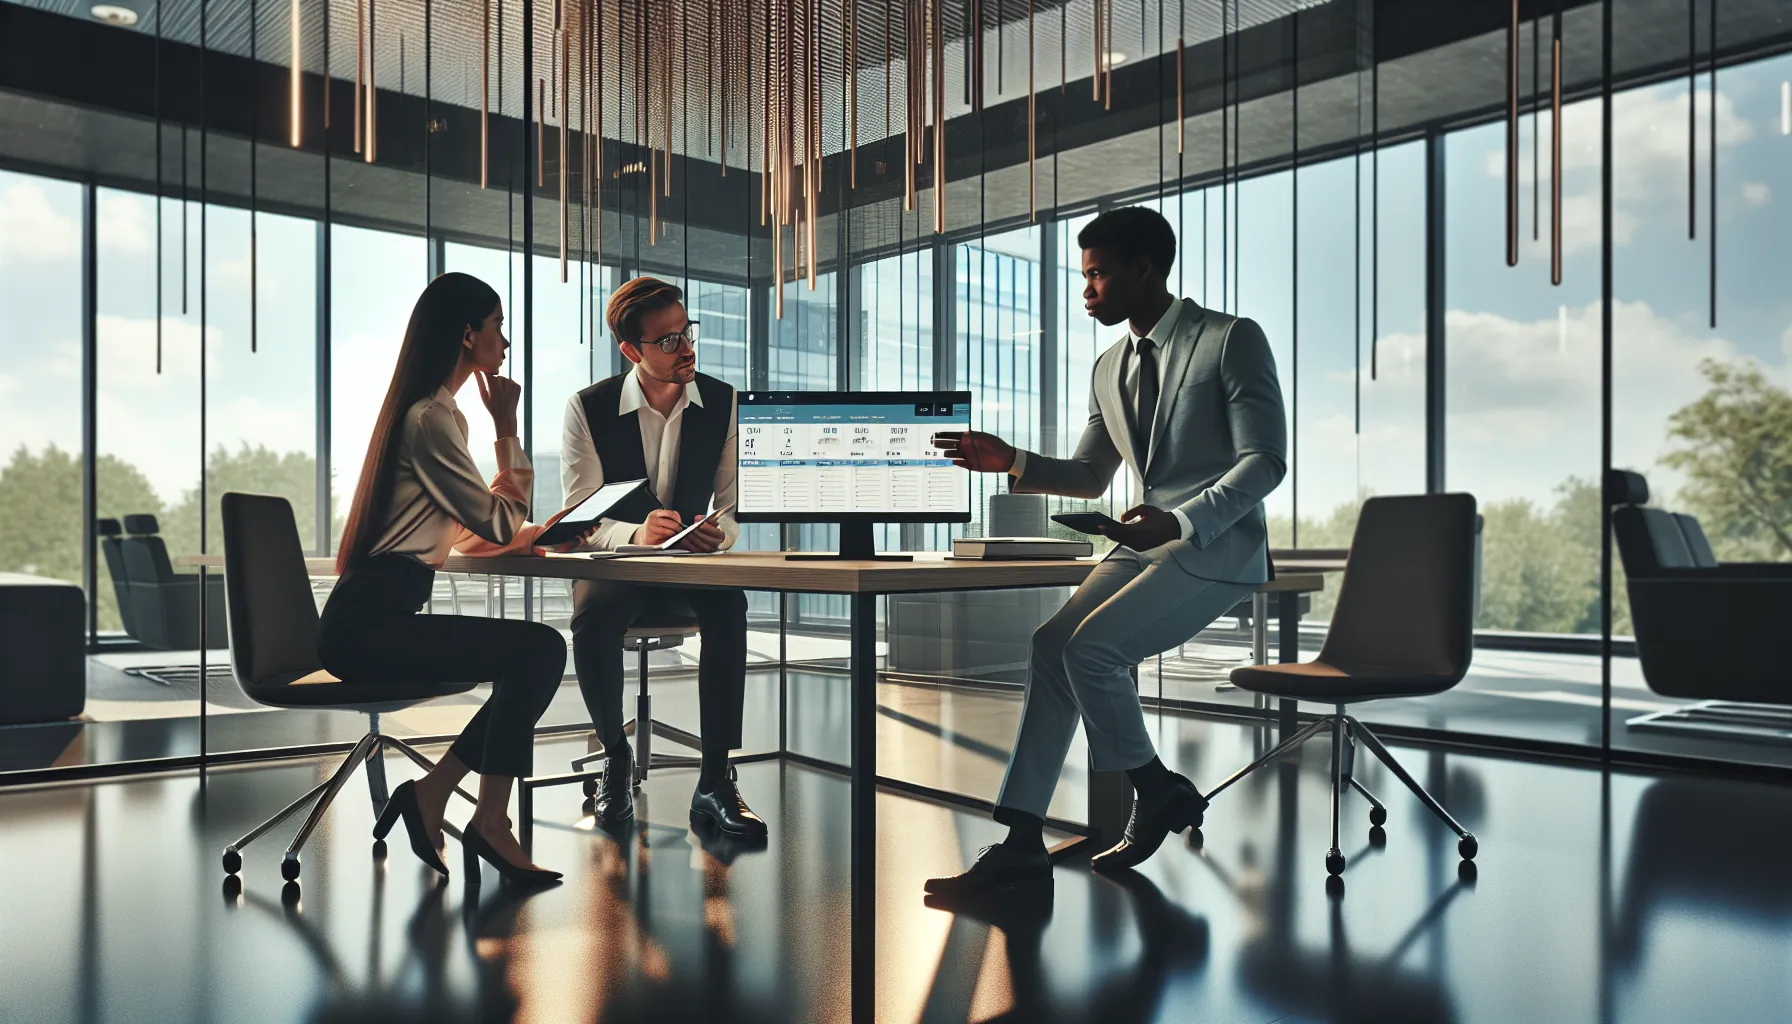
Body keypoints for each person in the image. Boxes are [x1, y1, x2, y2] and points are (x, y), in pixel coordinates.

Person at [925, 206, 1288, 896]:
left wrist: (1180, 522)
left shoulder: (1231, 340)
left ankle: (1153, 788)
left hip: (1213, 544)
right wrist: (1012, 461)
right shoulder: (1109, 365)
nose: (1086, 289)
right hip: (1138, 542)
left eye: (1097, 275)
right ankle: (1026, 840)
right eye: (1083, 275)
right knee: (1049, 645)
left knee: (1092, 651)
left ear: (1144, 271)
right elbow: (1092, 474)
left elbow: (1265, 461)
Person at [318, 271, 567, 886]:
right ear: (467, 335)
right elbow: (497, 516)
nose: (504, 342)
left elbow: (464, 530)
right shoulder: (433, 418)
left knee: (531, 655)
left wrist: (541, 534)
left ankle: (445, 799)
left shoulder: (434, 413)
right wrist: (506, 428)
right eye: (498, 325)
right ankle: (483, 818)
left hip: (376, 614)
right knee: (539, 650)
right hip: (368, 626)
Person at [558, 276, 766, 840]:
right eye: (668, 341)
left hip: (686, 570)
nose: (686, 348)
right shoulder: (588, 408)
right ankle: (615, 757)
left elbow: (734, 504)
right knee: (593, 615)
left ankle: (715, 780)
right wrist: (635, 533)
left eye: (686, 332)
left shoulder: (722, 402)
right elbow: (581, 516)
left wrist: (715, 534)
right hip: (618, 568)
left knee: (729, 604)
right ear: (631, 350)